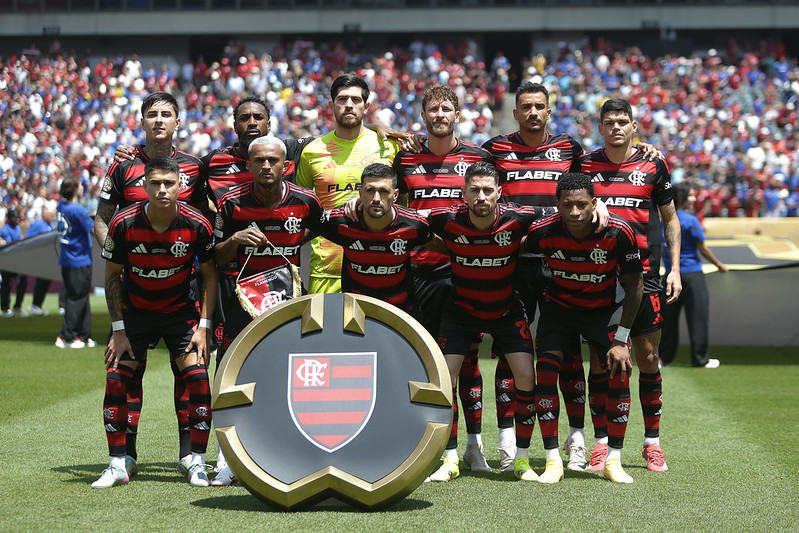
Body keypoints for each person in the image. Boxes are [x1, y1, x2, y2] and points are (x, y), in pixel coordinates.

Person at [95, 91, 205, 474]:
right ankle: (127, 455)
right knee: (129, 369)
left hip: (182, 286)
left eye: (166, 114)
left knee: (186, 372)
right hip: (133, 288)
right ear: (142, 121)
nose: (159, 120)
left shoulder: (195, 167)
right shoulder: (122, 166)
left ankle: (189, 453)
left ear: (178, 121)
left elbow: (203, 226)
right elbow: (101, 219)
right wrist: (119, 254)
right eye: (152, 114)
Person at [425, 162, 550, 482]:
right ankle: (450, 458)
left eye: (487, 190)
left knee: (526, 375)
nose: (481, 196)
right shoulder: (447, 219)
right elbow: (409, 217)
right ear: (464, 193)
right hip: (461, 312)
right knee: (443, 380)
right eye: (474, 190)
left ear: (499, 193)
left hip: (506, 311)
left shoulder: (518, 217)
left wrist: (602, 204)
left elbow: (560, 210)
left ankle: (521, 458)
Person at [211, 133, 324, 486]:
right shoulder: (230, 205)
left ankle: (284, 449)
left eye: (273, 160)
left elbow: (321, 230)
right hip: (238, 302)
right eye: (258, 160)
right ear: (248, 165)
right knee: (232, 373)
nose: (266, 166)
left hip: (285, 303)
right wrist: (234, 241)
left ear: (286, 165)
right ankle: (226, 456)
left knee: (285, 376)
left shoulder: (305, 201)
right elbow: (212, 256)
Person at [392, 85, 495, 473]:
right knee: (427, 361)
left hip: (466, 271)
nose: (439, 114)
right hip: (418, 273)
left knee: (468, 361)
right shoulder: (405, 159)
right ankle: (438, 447)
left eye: (446, 108)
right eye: (433, 109)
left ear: (458, 114)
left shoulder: (478, 158)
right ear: (423, 116)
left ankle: (474, 447)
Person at [580, 97, 681, 473]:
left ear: (633, 127)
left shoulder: (653, 163)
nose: (617, 127)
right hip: (600, 276)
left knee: (647, 358)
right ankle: (601, 444)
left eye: (623, 121)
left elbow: (670, 218)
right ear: (601, 128)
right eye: (610, 122)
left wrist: (675, 270)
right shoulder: (585, 165)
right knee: (601, 362)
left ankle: (652, 443)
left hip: (646, 276)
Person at [525, 172, 643, 484]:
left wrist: (621, 338)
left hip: (602, 312)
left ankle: (614, 459)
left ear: (594, 203)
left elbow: (635, 287)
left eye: (581, 205)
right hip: (559, 310)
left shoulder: (619, 232)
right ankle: (552, 461)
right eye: (567, 205)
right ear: (557, 205)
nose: (575, 213)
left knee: (620, 369)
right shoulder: (541, 231)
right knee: (547, 370)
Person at [296, 73, 401, 294]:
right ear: (332, 105)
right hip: (327, 269)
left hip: (380, 264)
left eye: (356, 100)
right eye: (342, 100)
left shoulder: (389, 146)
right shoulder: (312, 151)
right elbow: (302, 210)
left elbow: (403, 205)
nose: (349, 105)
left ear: (366, 106)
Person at [318, 163, 433, 312]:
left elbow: (444, 246)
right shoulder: (341, 221)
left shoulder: (415, 225)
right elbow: (307, 226)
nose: (376, 198)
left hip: (400, 313)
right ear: (360, 193)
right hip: (354, 312)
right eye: (370, 190)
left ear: (396, 195)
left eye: (384, 191)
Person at [660, 182, 728, 368]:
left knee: (667, 321)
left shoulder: (663, 221)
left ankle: (663, 359)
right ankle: (700, 360)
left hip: (669, 277)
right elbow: (703, 249)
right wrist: (720, 265)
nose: (694, 199)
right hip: (692, 276)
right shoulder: (691, 220)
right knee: (698, 319)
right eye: (690, 195)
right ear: (682, 197)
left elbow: (659, 249)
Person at [54, 179, 95, 349]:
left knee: (82, 297)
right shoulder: (77, 209)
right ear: (75, 189)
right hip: (79, 259)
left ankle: (83, 336)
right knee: (76, 298)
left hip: (67, 258)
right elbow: (92, 228)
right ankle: (66, 336)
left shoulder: (62, 206)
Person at [25, 206, 57, 316]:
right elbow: (28, 238)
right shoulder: (38, 224)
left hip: (48, 259)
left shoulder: (51, 226)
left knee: (45, 282)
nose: (53, 217)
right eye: (51, 215)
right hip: (40, 258)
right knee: (41, 282)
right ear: (44, 215)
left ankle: (38, 305)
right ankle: (35, 305)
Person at [0, 209, 27, 317]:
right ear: (9, 218)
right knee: (7, 285)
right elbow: (8, 244)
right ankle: (5, 309)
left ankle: (17, 306)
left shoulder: (17, 228)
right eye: (15, 218)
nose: (17, 220)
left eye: (18, 218)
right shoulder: (5, 230)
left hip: (17, 260)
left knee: (23, 282)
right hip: (7, 261)